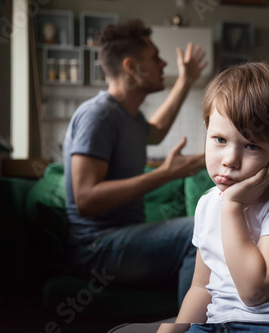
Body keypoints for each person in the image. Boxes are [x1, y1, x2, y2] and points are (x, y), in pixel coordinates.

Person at [159, 63, 269, 333]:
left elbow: (255, 292)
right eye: (219, 139)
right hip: (222, 322)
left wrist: (232, 207)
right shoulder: (208, 203)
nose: (230, 160)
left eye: (251, 145)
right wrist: (175, 329)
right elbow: (200, 286)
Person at [63, 19, 207, 306]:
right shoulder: (98, 115)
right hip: (97, 248)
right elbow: (86, 199)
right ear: (130, 67)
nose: (164, 63)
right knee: (200, 230)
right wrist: (165, 174)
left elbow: (158, 129)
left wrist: (186, 80)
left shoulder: (130, 118)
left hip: (120, 241)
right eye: (155, 57)